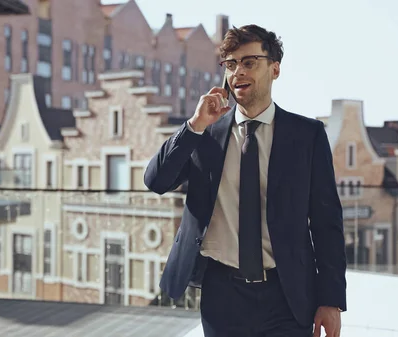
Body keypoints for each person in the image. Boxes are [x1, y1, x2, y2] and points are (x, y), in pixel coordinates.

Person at [144, 24, 347, 337]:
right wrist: (195, 125)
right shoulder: (205, 134)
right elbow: (156, 180)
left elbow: (326, 222)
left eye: (249, 62)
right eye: (231, 64)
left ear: (275, 69)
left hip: (288, 296)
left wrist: (331, 300)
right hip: (221, 296)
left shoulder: (307, 136)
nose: (238, 72)